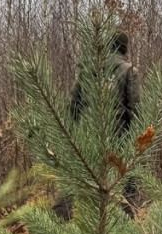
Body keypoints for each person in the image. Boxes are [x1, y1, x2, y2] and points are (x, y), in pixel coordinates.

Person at [53, 29, 140, 220]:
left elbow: (73, 107)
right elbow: (135, 111)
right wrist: (137, 143)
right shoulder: (128, 71)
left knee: (72, 180)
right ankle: (124, 232)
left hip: (86, 138)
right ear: (124, 48)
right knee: (125, 185)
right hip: (119, 140)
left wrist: (72, 138)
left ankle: (57, 225)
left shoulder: (87, 70)